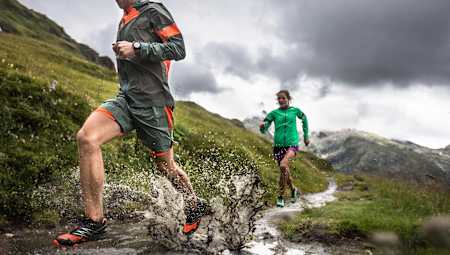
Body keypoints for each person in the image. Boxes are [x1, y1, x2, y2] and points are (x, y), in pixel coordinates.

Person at [53, 0, 206, 246]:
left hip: (154, 103)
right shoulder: (124, 18)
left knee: (166, 167)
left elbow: (179, 49)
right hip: (126, 98)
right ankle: (94, 221)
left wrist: (137, 47)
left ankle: (193, 204)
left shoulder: (153, 10)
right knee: (87, 138)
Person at [259, 90, 310, 208]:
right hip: (278, 146)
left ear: (288, 99)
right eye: (279, 99)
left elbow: (304, 118)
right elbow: (264, 128)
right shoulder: (273, 113)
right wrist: (262, 127)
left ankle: (280, 196)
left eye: (283, 98)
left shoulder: (295, 111)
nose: (281, 100)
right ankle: (293, 190)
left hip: (292, 144)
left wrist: (306, 136)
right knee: (284, 170)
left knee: (283, 165)